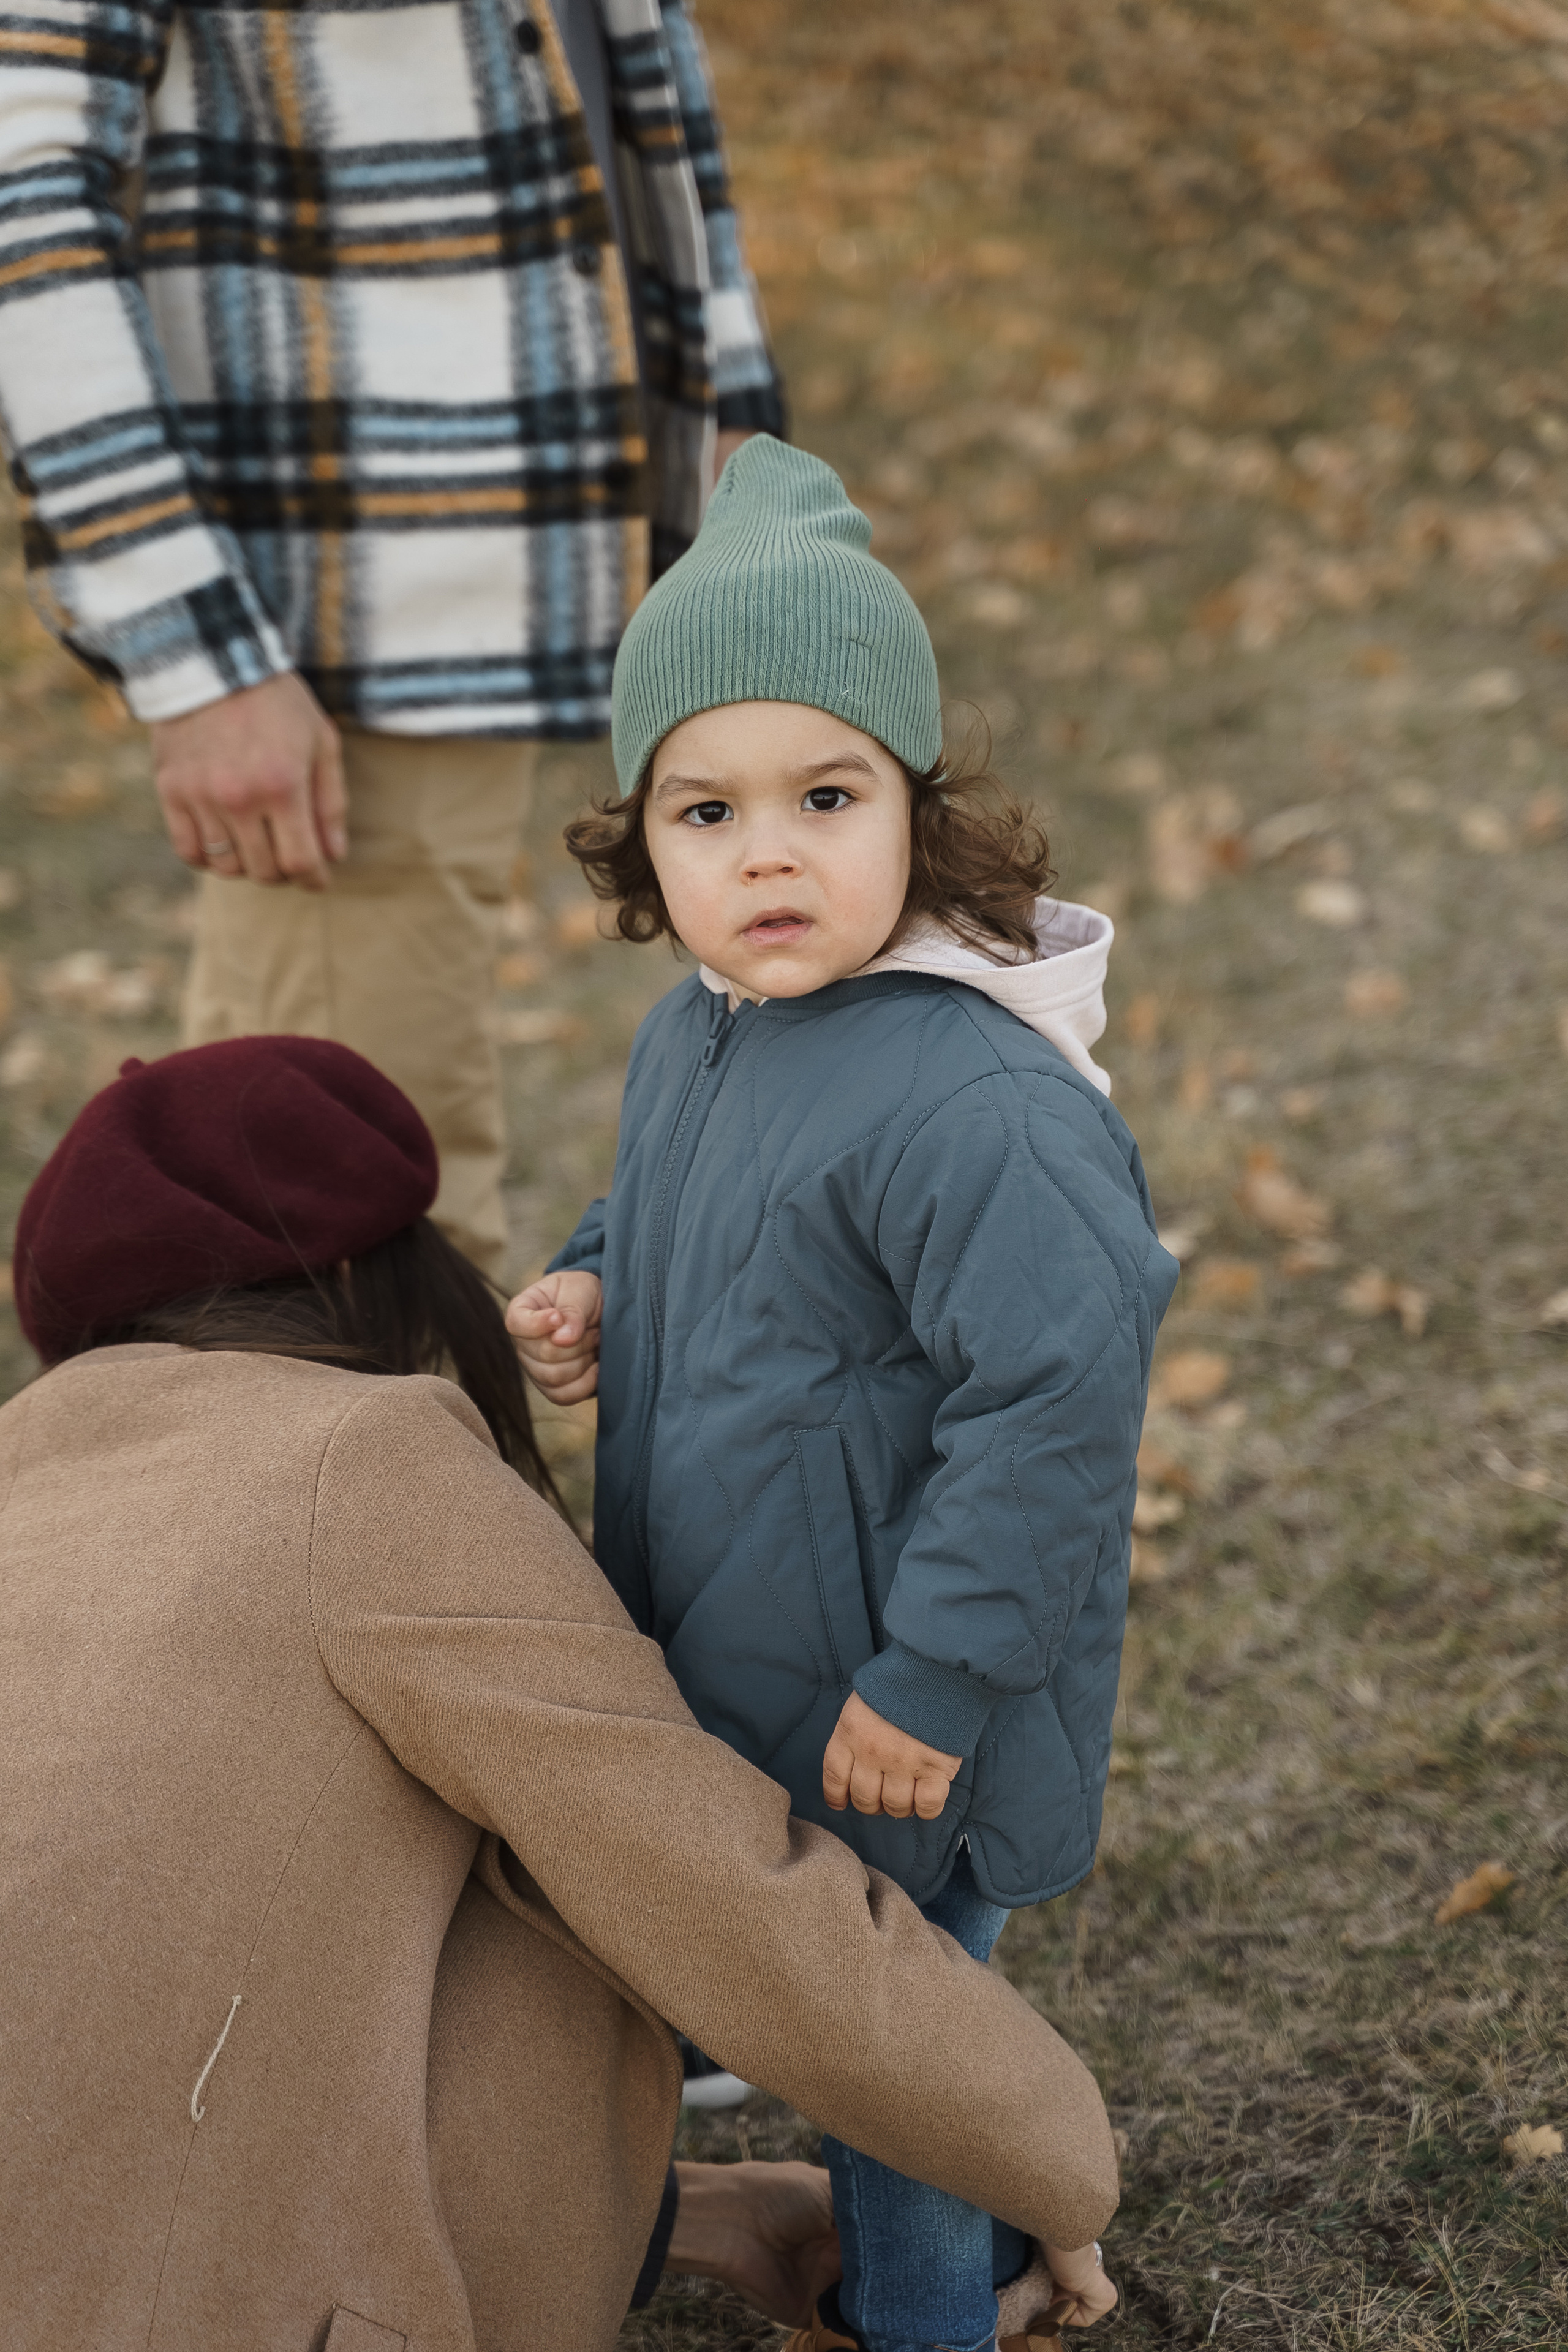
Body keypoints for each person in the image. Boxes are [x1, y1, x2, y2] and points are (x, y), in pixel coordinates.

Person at [1, 1035, 1121, 2352]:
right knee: (570, 1846)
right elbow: (706, 1881)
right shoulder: (359, 1454)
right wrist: (1044, 2153)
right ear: (366, 1269)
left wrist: (687, 2216)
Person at [511, 436, 1180, 2352]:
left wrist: (937, 1676)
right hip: (744, 1664)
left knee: (903, 2081)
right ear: (645, 844)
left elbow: (1054, 1406)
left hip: (906, 1715)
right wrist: (591, 1279)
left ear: (920, 808)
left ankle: (925, 2322)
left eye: (825, 793)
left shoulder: (978, 1107)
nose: (767, 852)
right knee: (757, 2001)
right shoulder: (709, 1031)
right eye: (705, 813)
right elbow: (674, 1213)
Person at [0, 0, 782, 1277]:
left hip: (522, 573)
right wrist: (197, 656)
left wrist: (730, 426)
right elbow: (26, 214)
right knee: (347, 1255)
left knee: (410, 1199)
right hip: (327, 625)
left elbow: (633, 79)